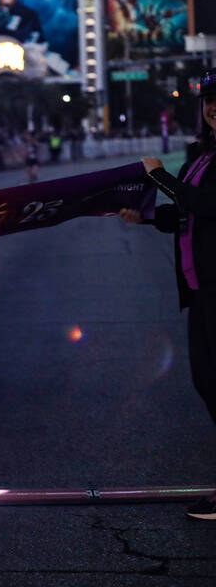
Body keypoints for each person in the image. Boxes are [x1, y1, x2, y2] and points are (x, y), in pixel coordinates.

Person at [119, 70, 216, 521]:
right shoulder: (202, 154)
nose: (214, 107)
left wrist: (158, 176)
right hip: (199, 290)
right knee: (206, 383)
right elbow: (187, 215)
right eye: (210, 100)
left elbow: (206, 206)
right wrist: (146, 220)